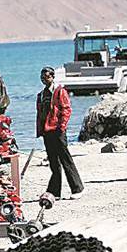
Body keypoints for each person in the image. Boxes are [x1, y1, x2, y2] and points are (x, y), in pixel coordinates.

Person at [36, 67, 84, 199]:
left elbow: (66, 110)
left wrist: (61, 127)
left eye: (46, 77)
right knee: (53, 162)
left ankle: (77, 188)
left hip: (58, 131)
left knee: (65, 159)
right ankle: (54, 192)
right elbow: (40, 114)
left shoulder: (60, 92)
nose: (44, 79)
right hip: (47, 132)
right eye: (42, 77)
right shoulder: (41, 94)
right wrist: (40, 130)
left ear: (52, 77)